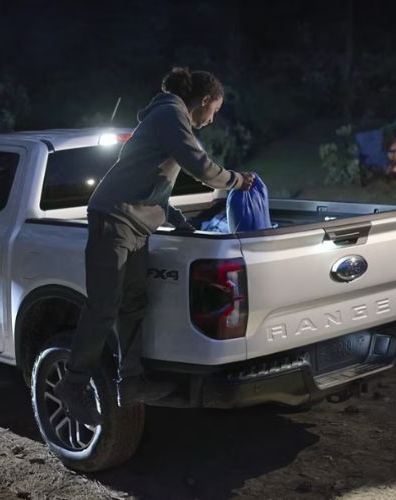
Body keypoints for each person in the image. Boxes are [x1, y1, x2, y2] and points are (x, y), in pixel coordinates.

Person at [54, 67, 255, 425]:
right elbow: (200, 166)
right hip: (113, 219)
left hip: (136, 223)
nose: (211, 120)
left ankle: (131, 382)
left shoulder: (168, 117)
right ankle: (73, 385)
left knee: (134, 303)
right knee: (104, 306)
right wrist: (237, 180)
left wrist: (177, 220)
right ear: (204, 100)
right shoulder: (170, 114)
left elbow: (152, 183)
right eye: (214, 110)